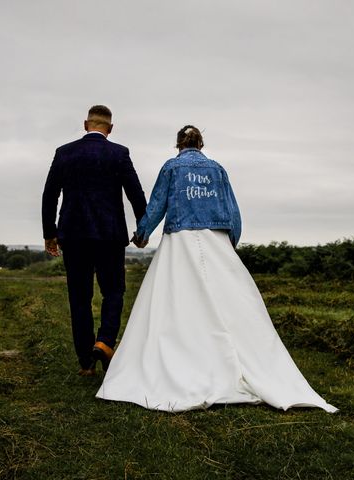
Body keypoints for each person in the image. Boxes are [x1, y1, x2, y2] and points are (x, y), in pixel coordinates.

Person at [96, 126, 337, 413]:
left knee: (174, 302)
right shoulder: (218, 170)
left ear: (178, 145)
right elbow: (232, 209)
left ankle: (181, 360)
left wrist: (143, 233)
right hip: (216, 238)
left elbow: (158, 203)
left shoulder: (172, 168)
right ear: (200, 143)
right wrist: (229, 242)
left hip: (180, 239)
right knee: (231, 301)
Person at [42, 105, 147, 376]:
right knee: (113, 291)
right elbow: (136, 194)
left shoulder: (64, 153)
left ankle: (85, 363)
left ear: (85, 124)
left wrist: (49, 234)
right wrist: (143, 229)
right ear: (110, 129)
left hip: (74, 235)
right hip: (109, 235)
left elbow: (50, 195)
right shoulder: (119, 153)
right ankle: (105, 341)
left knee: (79, 296)